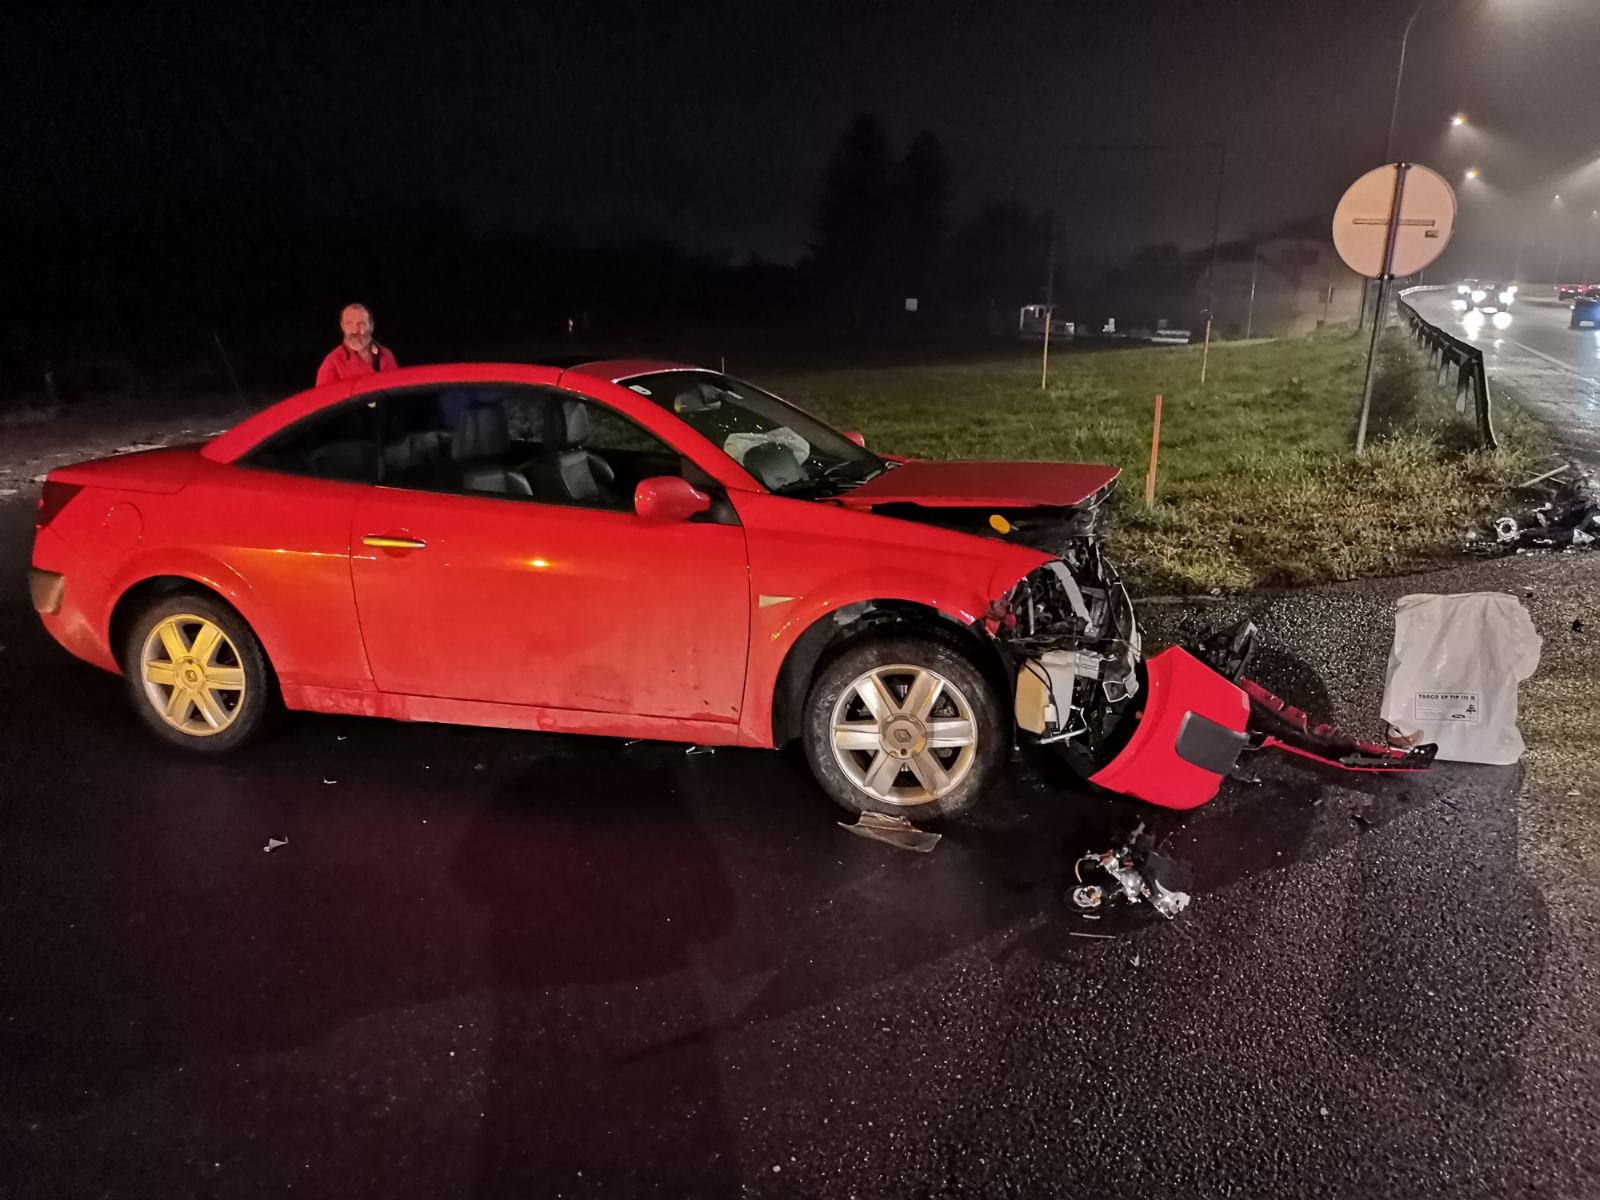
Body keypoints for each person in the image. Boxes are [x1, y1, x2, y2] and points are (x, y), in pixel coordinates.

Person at [315, 303, 398, 386]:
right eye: (349, 324)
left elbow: (395, 389)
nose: (355, 330)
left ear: (371, 326)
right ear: (342, 327)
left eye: (361, 324)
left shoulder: (386, 355)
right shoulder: (332, 361)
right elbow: (322, 396)